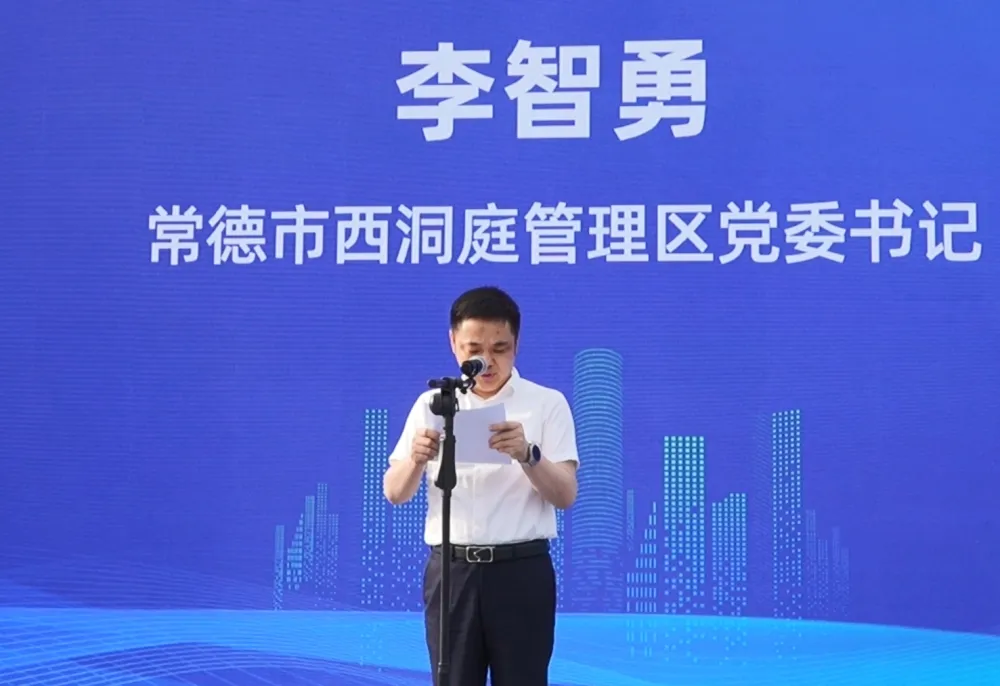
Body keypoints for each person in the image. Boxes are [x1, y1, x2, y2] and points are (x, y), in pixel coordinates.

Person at [382, 285, 580, 686]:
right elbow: (395, 492)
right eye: (474, 348)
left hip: (521, 571)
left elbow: (565, 495)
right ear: (454, 344)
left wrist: (528, 454)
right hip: (453, 572)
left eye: (500, 348)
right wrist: (416, 459)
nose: (486, 362)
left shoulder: (547, 403)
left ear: (516, 345)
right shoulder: (433, 404)